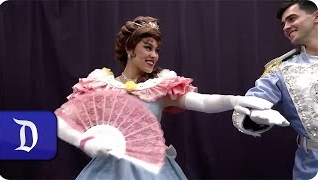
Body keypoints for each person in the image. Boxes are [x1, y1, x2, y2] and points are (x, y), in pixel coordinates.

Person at [56, 16, 272, 180]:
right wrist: (84, 141)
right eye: (147, 47)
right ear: (129, 48)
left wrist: (233, 100)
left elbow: (203, 102)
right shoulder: (100, 85)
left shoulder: (158, 87)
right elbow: (59, 122)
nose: (154, 55)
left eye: (157, 50)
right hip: (109, 170)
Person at [232, 0, 318, 179]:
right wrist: (254, 116)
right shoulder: (280, 71)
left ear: (316, 17)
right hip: (312, 167)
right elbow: (250, 104)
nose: (286, 27)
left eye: (292, 19)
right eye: (283, 24)